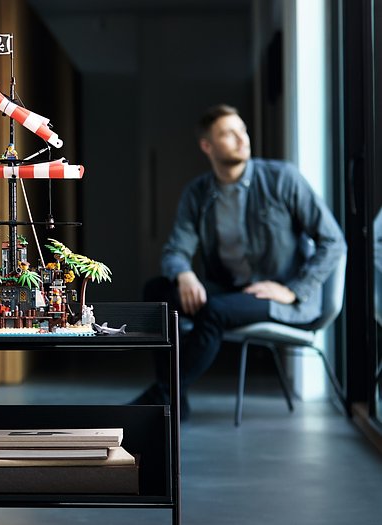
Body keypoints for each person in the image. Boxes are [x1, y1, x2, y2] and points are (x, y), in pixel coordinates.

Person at [132, 104, 347, 420]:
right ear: (207, 146)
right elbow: (176, 249)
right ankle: (175, 400)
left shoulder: (282, 178)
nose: (241, 138)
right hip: (231, 289)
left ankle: (164, 397)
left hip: (279, 296)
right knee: (157, 292)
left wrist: (293, 290)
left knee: (214, 311)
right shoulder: (198, 193)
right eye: (228, 133)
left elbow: (333, 241)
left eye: (242, 130)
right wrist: (184, 275)